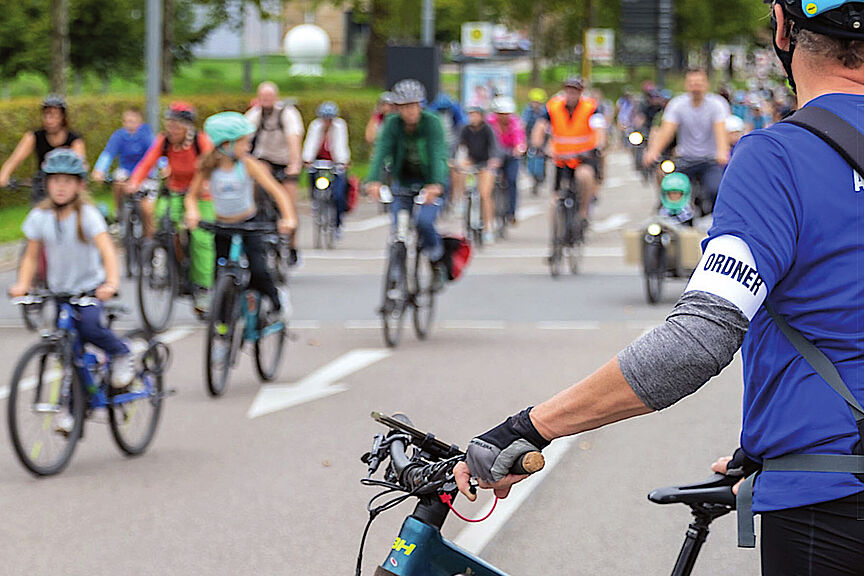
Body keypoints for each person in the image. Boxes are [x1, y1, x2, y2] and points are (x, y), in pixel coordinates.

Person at [455, 1, 864, 573]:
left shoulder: (779, 159)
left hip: (832, 498)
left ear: (782, 28)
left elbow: (698, 339)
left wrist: (529, 428)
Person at [9, 149, 135, 399]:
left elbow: (108, 252)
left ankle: (122, 353)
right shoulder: (40, 216)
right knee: (65, 350)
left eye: (67, 181)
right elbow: (31, 256)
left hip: (88, 288)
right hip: (60, 292)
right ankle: (70, 408)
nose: (61, 187)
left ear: (79, 185)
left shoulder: (86, 215)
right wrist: (22, 283)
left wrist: (110, 282)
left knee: (90, 328)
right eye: (55, 181)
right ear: (47, 184)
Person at [185, 112, 296, 322]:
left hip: (249, 224)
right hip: (223, 227)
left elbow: (277, 191)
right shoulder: (208, 166)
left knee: (259, 270)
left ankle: (277, 301)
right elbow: (191, 196)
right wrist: (193, 212)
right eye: (244, 142)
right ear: (226, 144)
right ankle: (223, 326)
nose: (247, 147)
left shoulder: (248, 164)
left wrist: (288, 218)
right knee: (220, 277)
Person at [128, 102, 215, 313]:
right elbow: (146, 163)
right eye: (170, 125)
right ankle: (170, 264)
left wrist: (207, 183)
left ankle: (202, 287)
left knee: (201, 238)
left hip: (199, 195)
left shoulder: (200, 142)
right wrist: (134, 183)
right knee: (162, 224)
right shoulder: (164, 141)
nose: (172, 130)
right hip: (174, 191)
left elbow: (213, 164)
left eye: (177, 126)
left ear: (187, 126)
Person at [366, 79, 449, 287]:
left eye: (413, 106)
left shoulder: (432, 122)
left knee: (424, 223)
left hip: (430, 181)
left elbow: (438, 153)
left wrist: (436, 184)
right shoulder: (393, 124)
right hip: (403, 181)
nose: (409, 112)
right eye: (404, 107)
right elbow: (381, 151)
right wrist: (373, 180)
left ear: (420, 105)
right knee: (398, 227)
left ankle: (436, 259)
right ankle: (396, 275)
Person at [642, 68, 730, 216]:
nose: (696, 86)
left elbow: (720, 131)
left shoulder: (717, 104)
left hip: (710, 160)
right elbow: (667, 130)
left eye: (699, 82)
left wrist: (722, 152)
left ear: (706, 84)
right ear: (686, 84)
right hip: (685, 158)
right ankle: (667, 212)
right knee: (667, 180)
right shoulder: (677, 104)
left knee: (716, 189)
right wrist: (653, 152)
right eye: (692, 82)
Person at [532, 76, 607, 229]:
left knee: (584, 177)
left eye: (576, 91)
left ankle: (583, 214)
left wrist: (598, 146)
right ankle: (556, 237)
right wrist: (537, 146)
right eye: (569, 90)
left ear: (581, 92)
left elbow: (599, 129)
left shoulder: (590, 107)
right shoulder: (554, 106)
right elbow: (540, 125)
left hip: (584, 157)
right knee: (556, 196)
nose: (572, 94)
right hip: (562, 158)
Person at [244, 81, 305, 266]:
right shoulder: (255, 114)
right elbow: (244, 137)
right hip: (265, 160)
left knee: (290, 200)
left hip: (285, 160)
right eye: (263, 98)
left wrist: (294, 164)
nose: (266, 101)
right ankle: (257, 216)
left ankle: (292, 244)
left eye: (269, 98)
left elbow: (293, 138)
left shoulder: (287, 114)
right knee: (257, 181)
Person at [0, 95, 86, 205]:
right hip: (42, 186)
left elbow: (80, 163)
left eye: (55, 116)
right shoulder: (34, 136)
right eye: (47, 115)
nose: (50, 120)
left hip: (66, 185)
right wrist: (4, 175)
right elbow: (15, 159)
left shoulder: (74, 139)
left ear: (63, 118)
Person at [91, 106, 154, 222]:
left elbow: (155, 152)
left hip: (145, 174)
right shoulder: (119, 136)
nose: (130, 124)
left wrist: (163, 167)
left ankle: (148, 236)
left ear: (140, 122)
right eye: (127, 121)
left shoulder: (146, 135)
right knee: (118, 183)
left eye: (133, 121)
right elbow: (108, 153)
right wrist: (99, 170)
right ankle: (119, 214)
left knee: (147, 212)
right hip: (126, 172)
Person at [453, 104, 500, 244]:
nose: (472, 118)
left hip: (485, 163)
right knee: (459, 171)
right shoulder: (465, 129)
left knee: (485, 194)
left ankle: (488, 227)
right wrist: (453, 160)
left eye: (475, 114)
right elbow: (456, 144)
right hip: (471, 161)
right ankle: (460, 198)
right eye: (470, 115)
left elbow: (495, 147)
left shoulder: (487, 129)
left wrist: (494, 160)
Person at [302, 101, 351, 234]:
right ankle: (315, 201)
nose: (327, 122)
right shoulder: (315, 126)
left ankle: (337, 223)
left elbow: (341, 145)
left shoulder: (340, 126)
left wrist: (343, 162)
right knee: (312, 175)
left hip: (335, 163)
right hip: (319, 162)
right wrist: (307, 159)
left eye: (329, 119)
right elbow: (310, 143)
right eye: (325, 119)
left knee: (339, 194)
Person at [488, 95, 526, 227]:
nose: (504, 117)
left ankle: (511, 212)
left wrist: (519, 148)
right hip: (494, 155)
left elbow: (519, 138)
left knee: (512, 180)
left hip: (510, 155)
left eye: (506, 114)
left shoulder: (515, 123)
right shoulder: (490, 123)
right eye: (501, 114)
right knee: (489, 180)